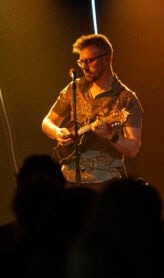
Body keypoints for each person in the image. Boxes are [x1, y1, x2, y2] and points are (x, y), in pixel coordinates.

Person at [42, 33, 143, 187]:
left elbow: (133, 149)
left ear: (106, 59)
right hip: (69, 179)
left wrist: (111, 135)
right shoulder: (74, 88)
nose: (84, 67)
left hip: (105, 182)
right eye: (81, 62)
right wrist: (57, 133)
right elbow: (47, 122)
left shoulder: (127, 100)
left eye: (90, 61)